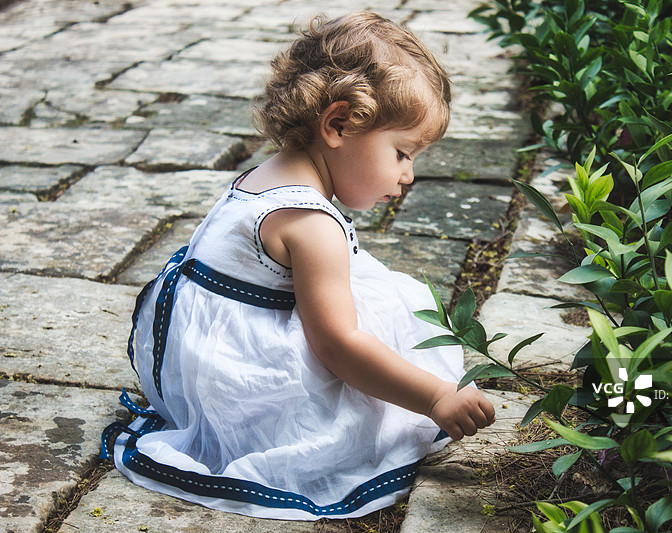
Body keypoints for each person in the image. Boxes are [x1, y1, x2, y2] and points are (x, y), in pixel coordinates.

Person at [101, 11, 495, 521]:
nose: (408, 175)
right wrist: (434, 396)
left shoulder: (266, 175)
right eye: (402, 153)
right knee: (383, 328)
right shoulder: (311, 223)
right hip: (251, 392)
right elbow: (338, 346)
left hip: (195, 369)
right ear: (337, 124)